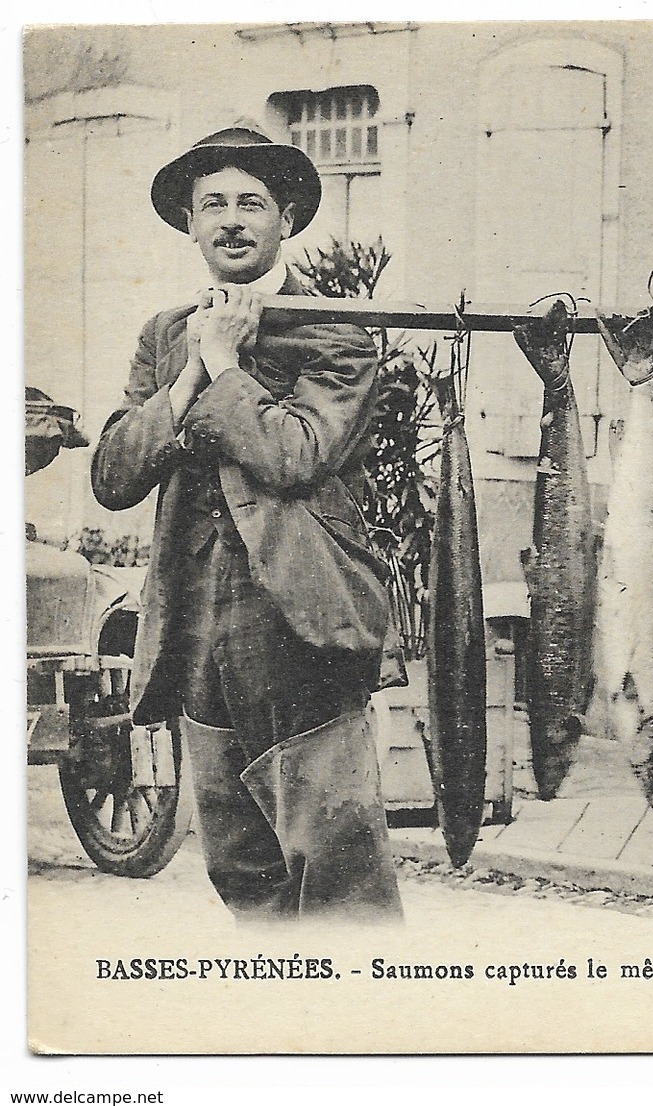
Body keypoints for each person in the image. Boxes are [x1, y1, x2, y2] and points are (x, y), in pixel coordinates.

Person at [91, 125, 402, 923]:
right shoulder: (167, 335)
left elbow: (295, 456)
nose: (231, 220)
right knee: (244, 877)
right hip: (195, 631)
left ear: (286, 220)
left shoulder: (336, 331)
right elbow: (115, 475)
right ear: (191, 226)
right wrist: (193, 366)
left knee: (338, 881)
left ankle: (370, 1035)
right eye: (213, 205)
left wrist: (228, 366)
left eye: (251, 204)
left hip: (300, 626)